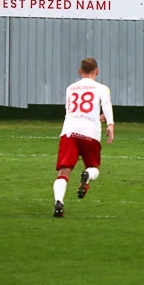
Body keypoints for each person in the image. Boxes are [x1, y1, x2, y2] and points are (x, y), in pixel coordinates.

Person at [53, 57, 115, 217]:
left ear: (80, 71)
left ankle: (58, 202)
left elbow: (72, 111)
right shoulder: (102, 88)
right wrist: (110, 124)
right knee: (93, 167)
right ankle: (86, 177)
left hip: (69, 132)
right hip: (90, 133)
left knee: (64, 171)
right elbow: (106, 104)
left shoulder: (70, 88)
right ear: (97, 71)